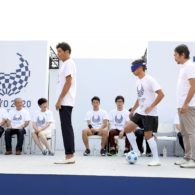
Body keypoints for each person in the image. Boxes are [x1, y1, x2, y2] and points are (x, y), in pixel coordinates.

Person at [124, 59, 164, 166]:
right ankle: (137, 151)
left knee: (148, 136)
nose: (132, 71)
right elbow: (139, 98)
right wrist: (133, 110)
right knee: (127, 129)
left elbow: (161, 94)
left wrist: (151, 107)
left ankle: (156, 159)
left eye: (133, 68)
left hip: (150, 114)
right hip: (140, 112)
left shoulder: (150, 80)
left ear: (141, 67)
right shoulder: (138, 81)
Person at [54, 42, 77, 164]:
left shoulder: (69, 63)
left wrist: (59, 100)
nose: (58, 54)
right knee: (65, 126)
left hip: (66, 101)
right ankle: (69, 155)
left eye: (60, 51)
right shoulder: (64, 65)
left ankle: (69, 156)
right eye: (57, 52)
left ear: (67, 52)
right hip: (65, 101)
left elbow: (69, 82)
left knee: (66, 127)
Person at [174, 44, 195, 168]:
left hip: (189, 106)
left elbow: (194, 86)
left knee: (191, 132)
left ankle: (193, 159)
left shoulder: (190, 66)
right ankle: (187, 158)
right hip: (182, 106)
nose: (174, 57)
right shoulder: (183, 67)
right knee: (184, 132)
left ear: (182, 54)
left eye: (175, 55)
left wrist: (186, 104)